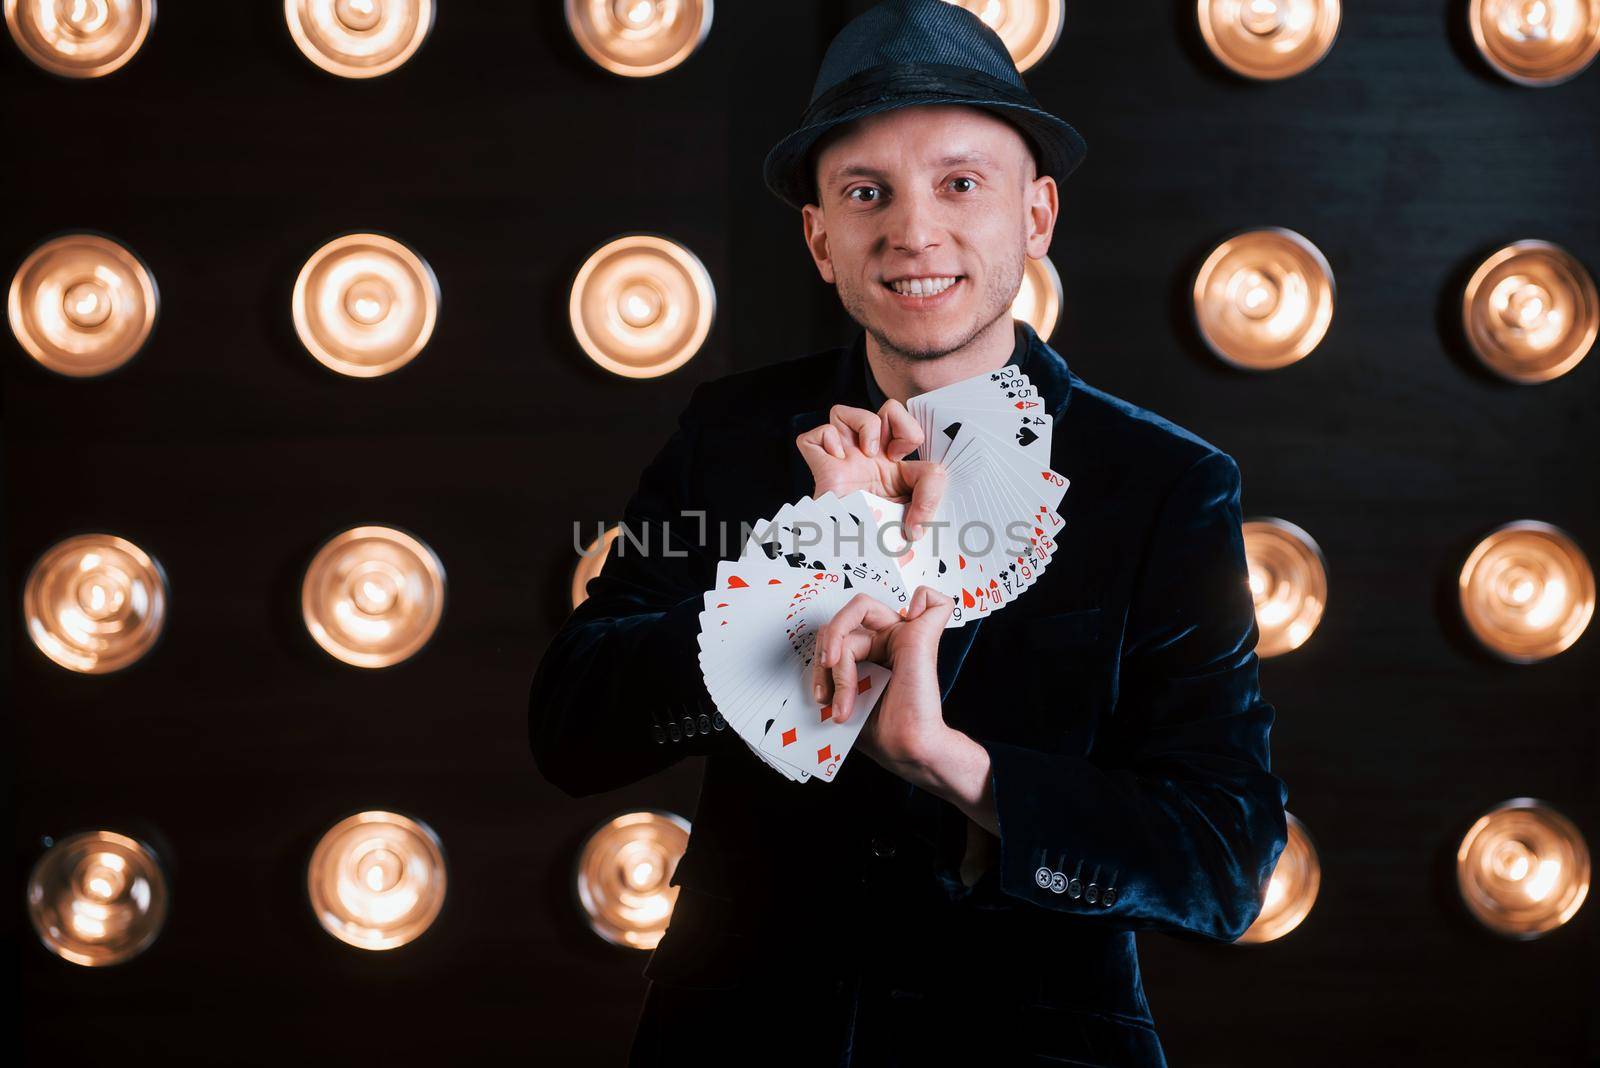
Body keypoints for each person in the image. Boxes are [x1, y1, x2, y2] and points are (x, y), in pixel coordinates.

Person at [528, 2, 1290, 1064]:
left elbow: (1223, 858)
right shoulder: (731, 434)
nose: (913, 231)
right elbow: (571, 725)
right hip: (735, 1038)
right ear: (819, 238)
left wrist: (952, 765)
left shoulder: (1165, 484)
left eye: (960, 183)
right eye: (864, 193)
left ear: (1036, 216)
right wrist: (786, 616)